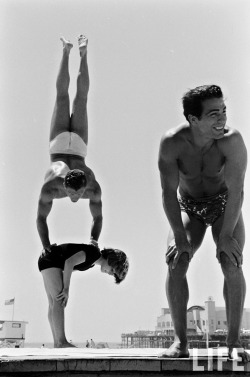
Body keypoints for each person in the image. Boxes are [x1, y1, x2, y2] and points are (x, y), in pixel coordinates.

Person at [158, 85, 249, 362]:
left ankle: (233, 342)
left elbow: (237, 191)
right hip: (190, 207)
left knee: (230, 261)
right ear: (193, 119)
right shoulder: (172, 143)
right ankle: (180, 342)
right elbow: (168, 193)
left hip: (225, 206)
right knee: (177, 261)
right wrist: (178, 235)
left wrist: (225, 237)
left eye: (223, 111)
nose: (222, 119)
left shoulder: (232, 141)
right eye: (213, 114)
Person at [37, 35, 102, 252]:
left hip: (62, 145)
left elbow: (42, 218)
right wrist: (46, 246)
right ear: (65, 182)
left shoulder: (59, 186)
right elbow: (40, 219)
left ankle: (72, 52)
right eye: (74, 193)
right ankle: (72, 53)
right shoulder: (85, 184)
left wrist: (94, 240)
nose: (75, 197)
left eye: (77, 193)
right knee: (72, 98)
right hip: (73, 148)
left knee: (67, 98)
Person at [38, 243, 129, 348]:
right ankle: (61, 341)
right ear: (110, 259)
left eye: (113, 274)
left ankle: (57, 343)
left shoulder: (92, 262)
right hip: (51, 260)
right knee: (59, 300)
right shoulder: (94, 253)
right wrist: (66, 289)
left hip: (48, 260)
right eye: (112, 270)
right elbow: (69, 263)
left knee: (53, 303)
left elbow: (68, 266)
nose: (109, 273)